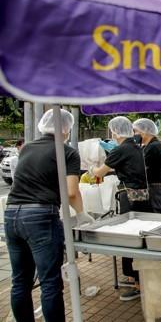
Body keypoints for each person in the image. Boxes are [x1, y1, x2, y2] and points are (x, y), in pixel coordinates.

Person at [4, 109, 94, 322]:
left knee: (20, 281)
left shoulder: (26, 148)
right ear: (65, 128)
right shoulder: (67, 152)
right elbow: (72, 192)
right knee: (50, 282)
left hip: (11, 215)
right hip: (40, 217)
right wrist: (82, 214)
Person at [90, 116, 149, 301]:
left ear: (115, 132)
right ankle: (138, 279)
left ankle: (137, 284)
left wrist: (91, 169)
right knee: (139, 238)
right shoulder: (134, 146)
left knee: (128, 239)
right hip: (141, 197)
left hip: (129, 198)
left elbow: (99, 172)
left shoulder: (121, 149)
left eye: (112, 131)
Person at [133, 118, 161, 213]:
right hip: (157, 187)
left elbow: (144, 168)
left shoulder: (153, 147)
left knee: (157, 217)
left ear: (144, 131)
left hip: (156, 188)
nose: (134, 134)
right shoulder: (151, 146)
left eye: (136, 131)